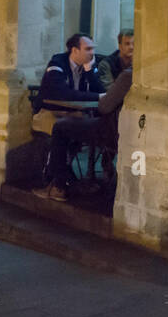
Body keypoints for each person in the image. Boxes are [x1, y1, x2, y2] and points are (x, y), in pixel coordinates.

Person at [36, 64, 131, 201]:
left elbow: (104, 106)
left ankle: (59, 186)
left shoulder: (128, 75)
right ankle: (75, 178)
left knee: (60, 127)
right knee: (74, 124)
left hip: (111, 131)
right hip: (124, 131)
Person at [39, 33, 106, 103]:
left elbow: (101, 92)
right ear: (75, 50)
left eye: (93, 48)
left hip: (76, 110)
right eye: (88, 49)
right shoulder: (57, 63)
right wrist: (97, 96)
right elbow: (63, 94)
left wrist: (89, 71)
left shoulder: (89, 64)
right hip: (50, 110)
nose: (92, 52)